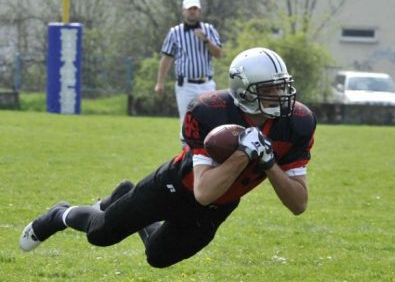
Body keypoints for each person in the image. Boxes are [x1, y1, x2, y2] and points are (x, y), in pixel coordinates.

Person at [20, 48, 316, 269]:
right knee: (101, 234)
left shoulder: (297, 122)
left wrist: (268, 162)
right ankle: (58, 215)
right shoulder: (210, 110)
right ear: (244, 89)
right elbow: (202, 192)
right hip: (175, 186)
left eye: (281, 85)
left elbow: (298, 204)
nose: (280, 94)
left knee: (158, 258)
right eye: (269, 89)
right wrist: (243, 154)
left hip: (218, 207)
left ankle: (124, 195)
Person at [155, 0, 223, 144]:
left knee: (210, 120)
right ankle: (187, 158)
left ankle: (208, 154)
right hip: (185, 85)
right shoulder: (175, 32)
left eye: (195, 9)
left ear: (199, 11)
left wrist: (205, 40)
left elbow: (218, 54)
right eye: (189, 9)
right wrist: (160, 82)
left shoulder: (209, 29)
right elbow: (166, 58)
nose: (192, 12)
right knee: (187, 121)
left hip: (206, 83)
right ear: (183, 11)